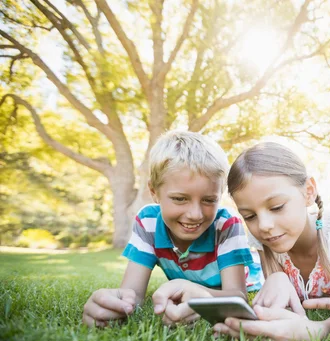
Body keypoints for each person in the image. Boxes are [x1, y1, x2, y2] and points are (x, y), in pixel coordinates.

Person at [82, 130, 262, 327]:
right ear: (154, 192)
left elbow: (238, 297)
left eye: (209, 200)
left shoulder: (226, 225)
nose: (195, 214)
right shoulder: (148, 221)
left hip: (253, 276)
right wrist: (114, 303)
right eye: (179, 199)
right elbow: (133, 295)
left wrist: (194, 292)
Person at [226, 142, 330, 316]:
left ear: (308, 192)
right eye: (249, 216)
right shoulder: (263, 240)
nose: (264, 225)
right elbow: (281, 311)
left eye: (277, 207)